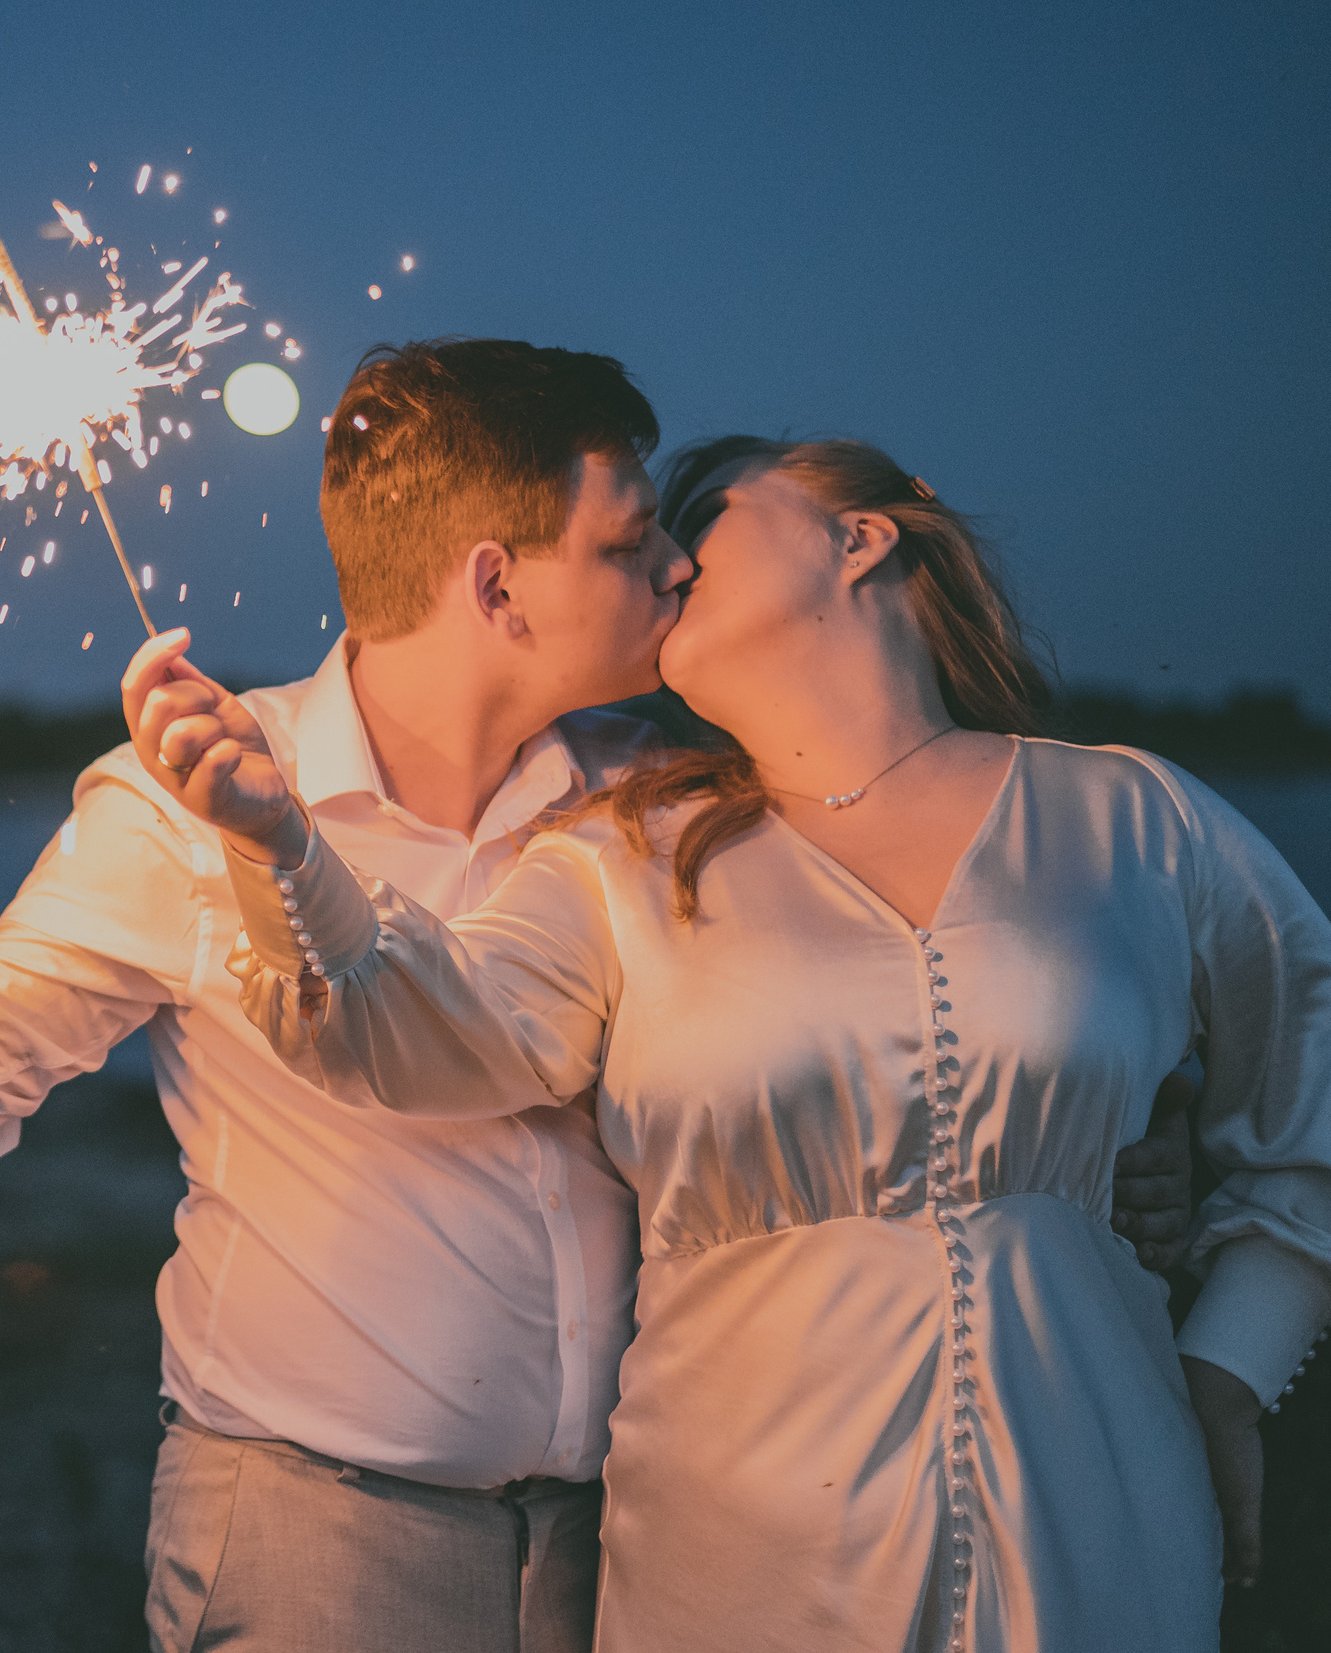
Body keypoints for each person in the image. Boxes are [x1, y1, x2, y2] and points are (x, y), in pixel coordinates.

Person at [0, 346, 1190, 1653]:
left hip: (647, 1541)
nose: (675, 565)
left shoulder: (658, 798)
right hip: (328, 1534)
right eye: (632, 531)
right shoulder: (186, 802)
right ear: (498, 578)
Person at [123, 432, 1327, 1651]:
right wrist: (279, 847)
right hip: (742, 1553)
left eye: (699, 514)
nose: (663, 556)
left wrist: (1230, 1368)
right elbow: (410, 1021)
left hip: (1104, 1519)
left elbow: (1311, 1103)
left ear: (858, 539)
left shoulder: (1136, 817)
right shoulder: (622, 856)